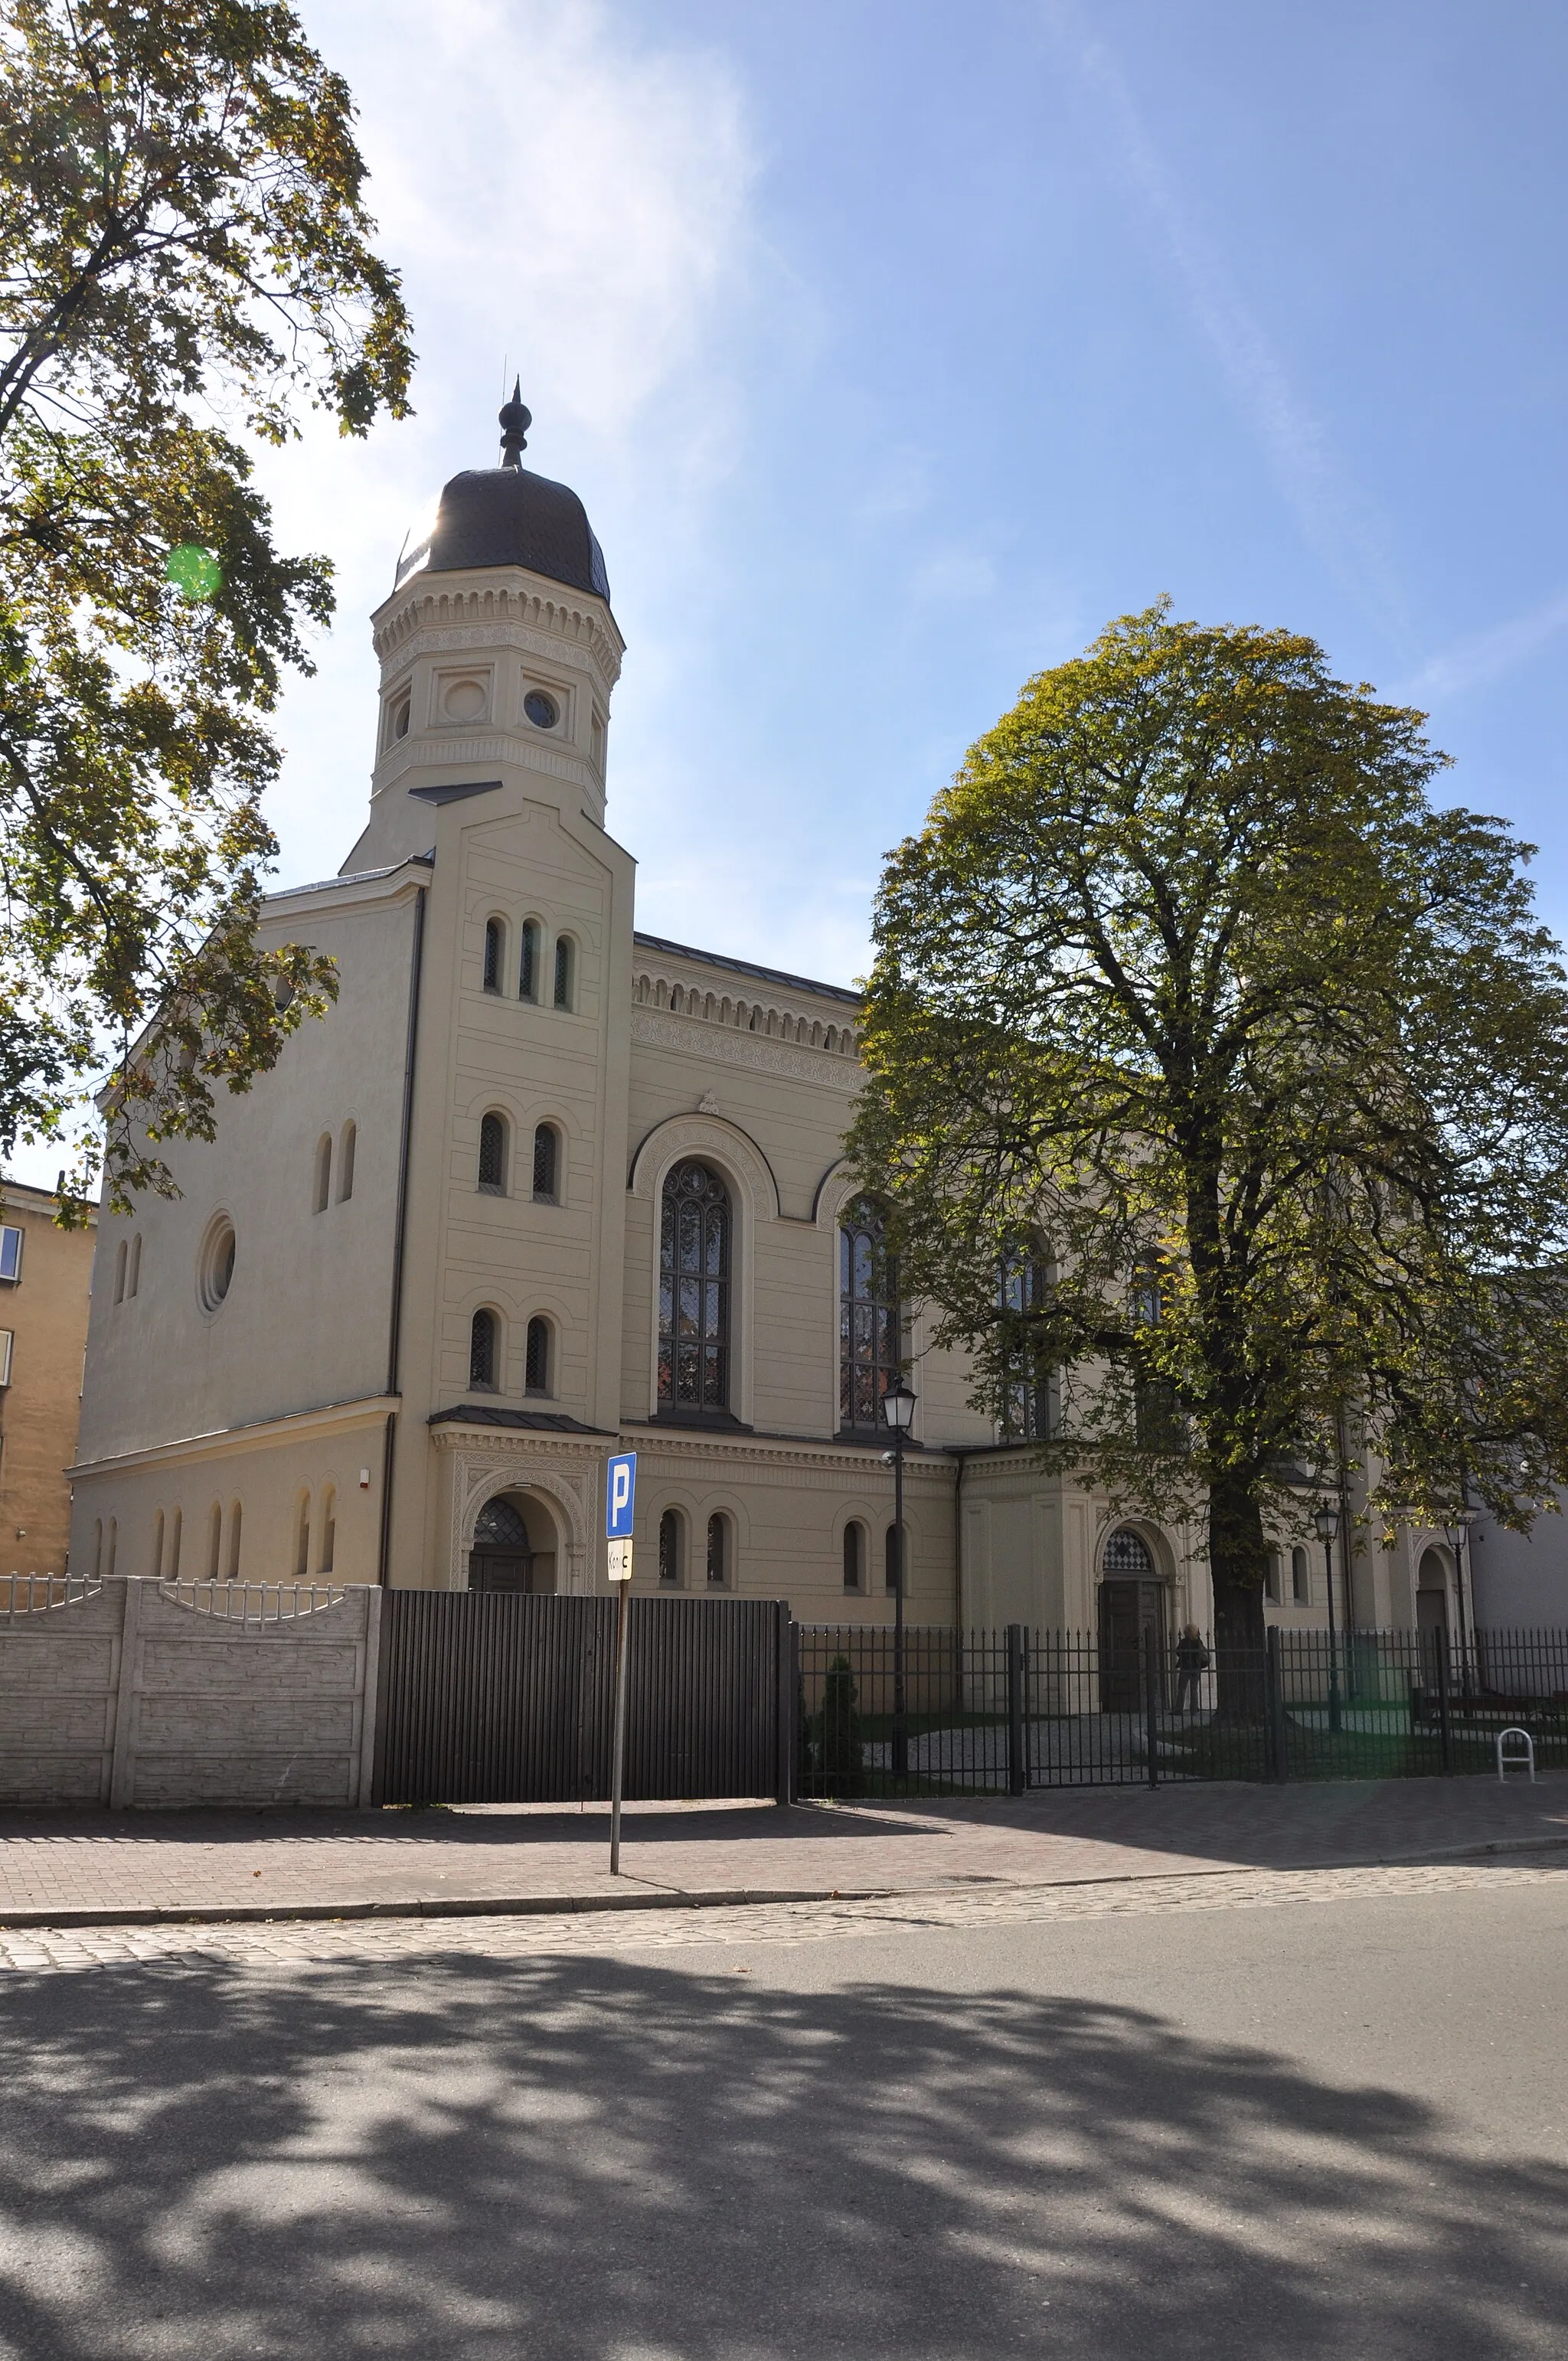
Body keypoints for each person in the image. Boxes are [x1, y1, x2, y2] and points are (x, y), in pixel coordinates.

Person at [1174, 1623, 1210, 1716]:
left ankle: (1179, 1709)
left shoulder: (1183, 1642)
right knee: (1194, 1689)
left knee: (1182, 1688)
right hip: (1196, 1668)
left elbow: (1178, 1652)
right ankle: (1194, 1708)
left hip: (1185, 1667)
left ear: (1186, 1632)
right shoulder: (1198, 1642)